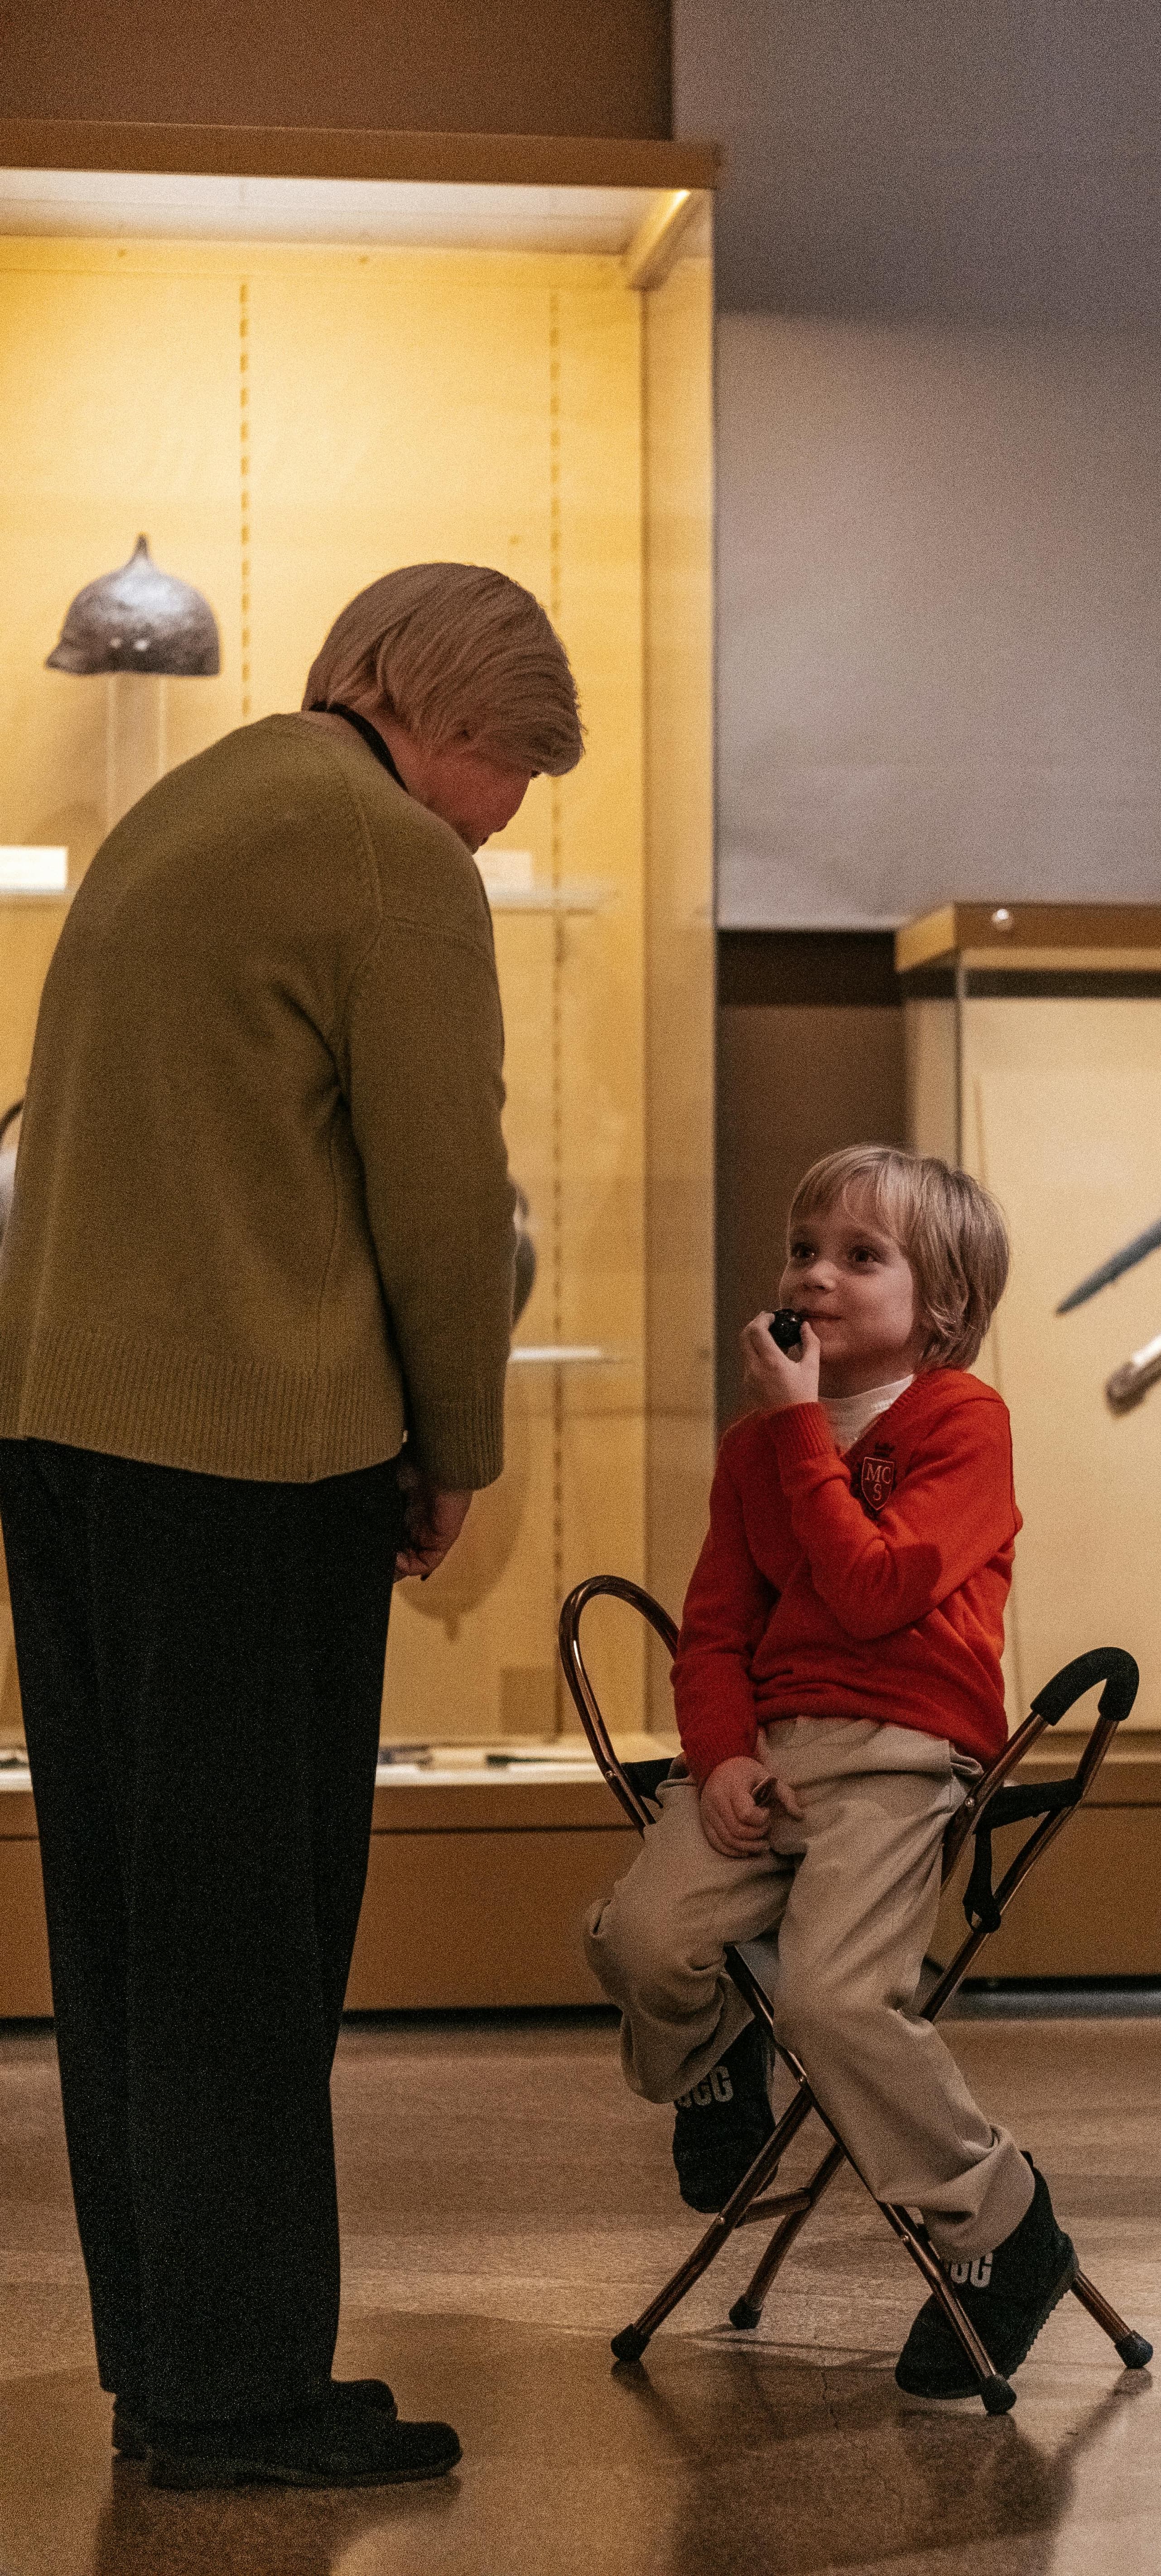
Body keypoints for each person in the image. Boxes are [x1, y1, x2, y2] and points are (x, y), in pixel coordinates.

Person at [0, 562, 582, 2489]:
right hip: (254, 1466)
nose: (501, 821)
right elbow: (439, 1189)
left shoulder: (185, 815)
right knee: (252, 1946)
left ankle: (171, 2368)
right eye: (508, 776)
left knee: (132, 1942)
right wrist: (459, 1442)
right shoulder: (385, 854)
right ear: (442, 716)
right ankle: (248, 2397)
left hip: (73, 1447)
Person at [585, 1144, 1079, 2397]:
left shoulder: (963, 1423)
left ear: (945, 1307)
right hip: (775, 1753)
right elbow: (715, 1632)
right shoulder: (759, 1453)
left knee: (836, 2004)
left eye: (862, 1257)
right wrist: (725, 1757)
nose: (817, 1275)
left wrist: (801, 1429)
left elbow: (874, 1595)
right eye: (806, 1250)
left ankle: (998, 2221)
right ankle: (711, 2080)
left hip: (903, 1751)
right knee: (640, 1935)